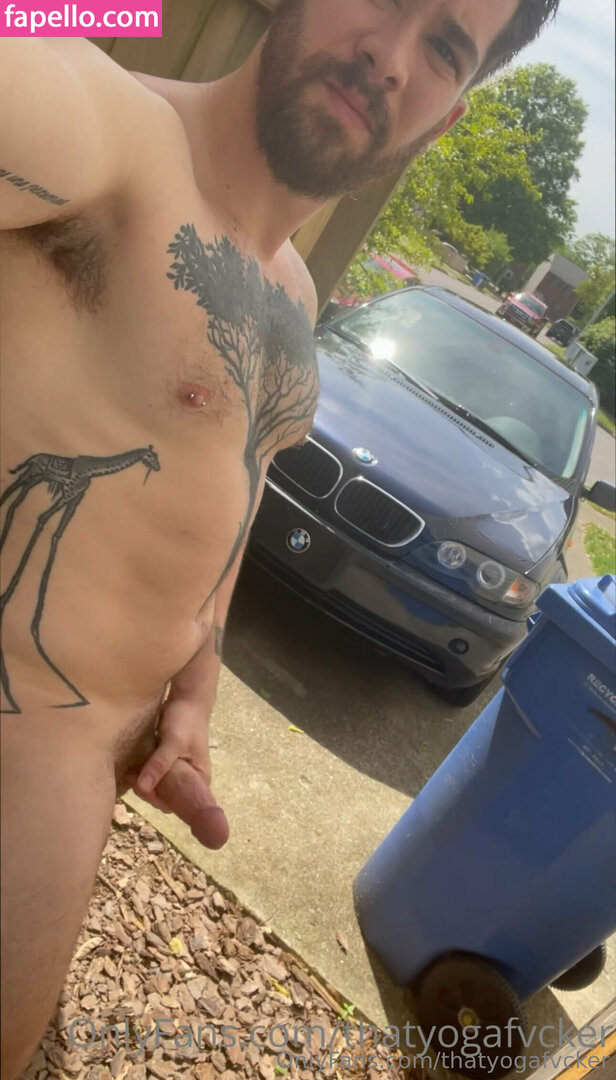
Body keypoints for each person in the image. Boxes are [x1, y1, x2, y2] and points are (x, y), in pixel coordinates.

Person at [0, 0, 560, 1074]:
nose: (392, 56)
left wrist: (194, 682)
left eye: (445, 48)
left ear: (445, 116)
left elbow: (228, 485)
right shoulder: (111, 142)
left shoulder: (294, 303)